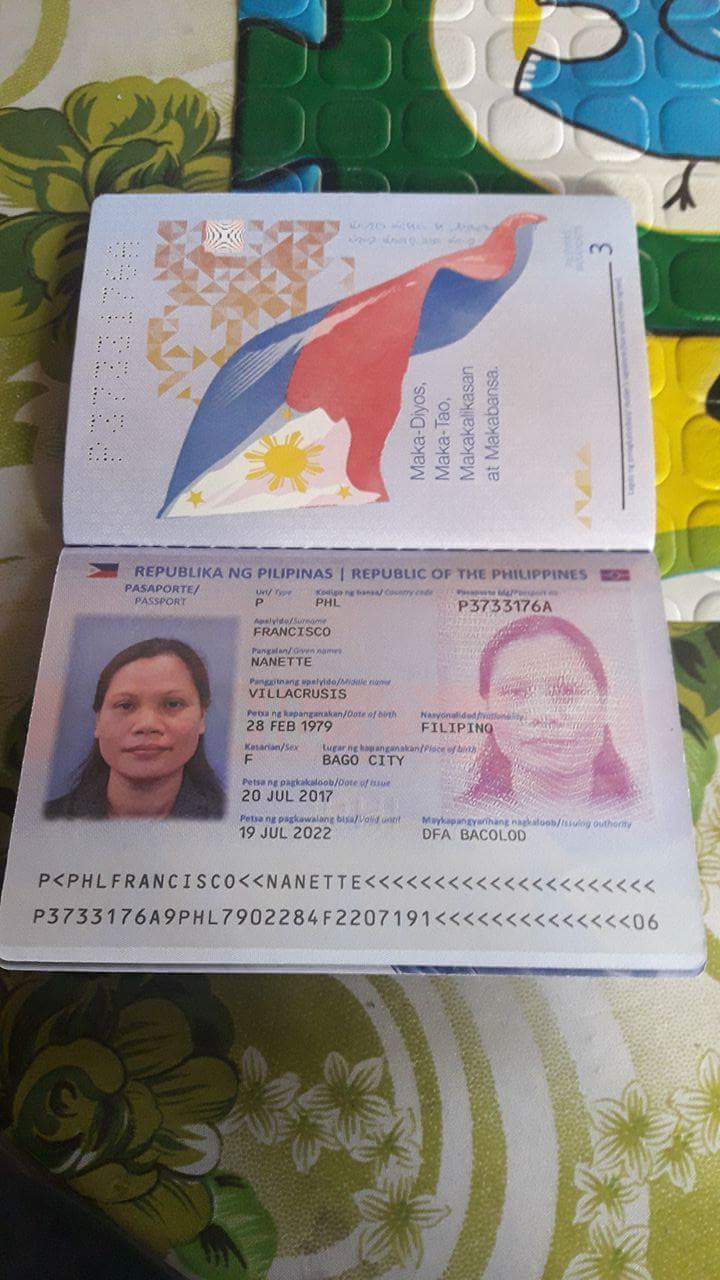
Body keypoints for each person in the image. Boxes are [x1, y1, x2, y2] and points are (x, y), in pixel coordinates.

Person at [464, 615, 635, 811]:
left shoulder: (638, 811)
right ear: (487, 707)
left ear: (603, 701)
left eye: (567, 691)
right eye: (515, 692)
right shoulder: (467, 814)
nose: (543, 714)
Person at [45, 637, 225, 819]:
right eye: (125, 705)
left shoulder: (228, 823)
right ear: (98, 720)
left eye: (172, 704)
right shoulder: (49, 819)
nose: (146, 724)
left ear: (201, 717)